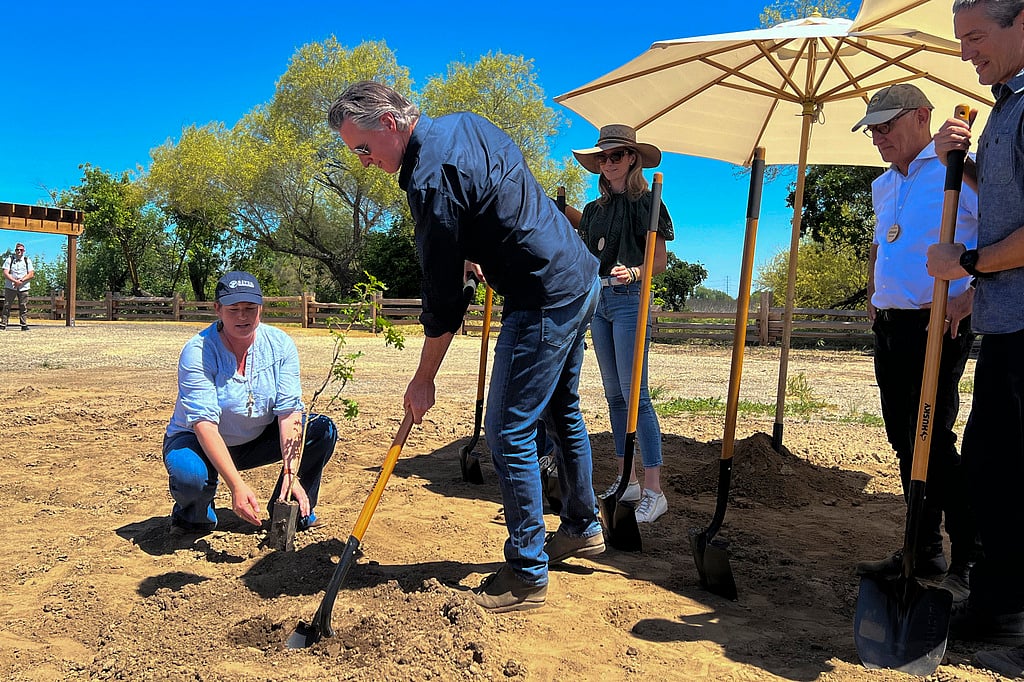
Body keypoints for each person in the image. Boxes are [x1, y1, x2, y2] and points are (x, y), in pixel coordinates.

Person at [328, 81, 604, 613]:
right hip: (578, 276)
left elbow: (442, 302)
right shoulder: (463, 123)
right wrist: (481, 248)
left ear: (389, 122)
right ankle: (581, 524)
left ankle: (527, 572)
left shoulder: (430, 183)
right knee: (561, 412)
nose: (362, 161)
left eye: (362, 147)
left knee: (510, 430)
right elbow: (503, 195)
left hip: (541, 295)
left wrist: (423, 379)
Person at [849, 84, 981, 600]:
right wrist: (875, 291)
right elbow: (886, 241)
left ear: (923, 117)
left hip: (938, 324)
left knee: (933, 438)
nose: (878, 138)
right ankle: (921, 546)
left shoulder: (956, 171)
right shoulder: (884, 185)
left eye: (887, 126)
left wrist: (966, 298)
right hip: (892, 326)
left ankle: (970, 556)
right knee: (904, 439)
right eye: (873, 130)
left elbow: (996, 239)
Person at [926, 0, 1024, 672]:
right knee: (994, 471)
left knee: (1008, 471)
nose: (965, 53)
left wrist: (965, 264)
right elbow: (1006, 204)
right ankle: (1000, 605)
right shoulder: (1005, 108)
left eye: (975, 38)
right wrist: (959, 167)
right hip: (1003, 316)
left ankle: (1004, 610)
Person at [162, 271, 337, 535]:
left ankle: (292, 508)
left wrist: (292, 472)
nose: (242, 316)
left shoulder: (280, 345)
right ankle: (193, 518)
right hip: (198, 440)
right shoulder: (198, 351)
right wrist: (236, 485)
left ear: (261, 309)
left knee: (321, 430)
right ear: (218, 309)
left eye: (249, 308)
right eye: (234, 309)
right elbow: (204, 424)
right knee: (191, 475)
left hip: (255, 439)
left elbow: (290, 413)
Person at [571, 125, 674, 524]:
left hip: (631, 300)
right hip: (601, 301)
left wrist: (634, 272)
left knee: (637, 396)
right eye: (602, 157)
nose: (608, 162)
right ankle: (625, 479)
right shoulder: (595, 210)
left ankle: (654, 489)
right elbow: (586, 246)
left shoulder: (648, 203)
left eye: (615, 155)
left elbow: (660, 263)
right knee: (614, 395)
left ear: (632, 158)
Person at [2, 242, 34, 331]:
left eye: (21, 250)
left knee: (23, 306)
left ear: (24, 251)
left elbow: (31, 274)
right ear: (15, 250)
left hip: (24, 287)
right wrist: (14, 281)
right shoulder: (9, 259)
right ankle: (3, 323)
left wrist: (21, 281)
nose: (19, 251)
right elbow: (5, 272)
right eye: (17, 249)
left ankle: (23, 324)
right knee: (7, 305)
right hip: (10, 286)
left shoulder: (27, 260)